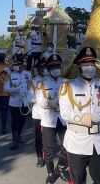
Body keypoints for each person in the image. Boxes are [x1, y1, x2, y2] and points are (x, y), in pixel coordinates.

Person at [59, 47, 100, 184]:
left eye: (92, 64)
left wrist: (95, 117)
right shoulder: (68, 86)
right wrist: (81, 117)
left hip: (99, 141)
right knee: (78, 180)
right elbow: (64, 112)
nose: (90, 67)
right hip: (77, 141)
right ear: (79, 66)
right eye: (86, 64)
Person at [38, 54, 70, 183]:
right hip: (48, 120)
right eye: (53, 67)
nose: (56, 69)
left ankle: (61, 168)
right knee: (48, 149)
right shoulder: (42, 83)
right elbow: (40, 101)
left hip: (63, 119)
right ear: (48, 68)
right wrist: (50, 103)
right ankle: (51, 172)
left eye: (58, 66)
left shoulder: (66, 82)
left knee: (66, 146)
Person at [4, 60, 30, 150]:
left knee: (22, 120)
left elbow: (30, 86)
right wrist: (14, 90)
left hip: (25, 101)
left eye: (18, 64)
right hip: (14, 102)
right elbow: (6, 87)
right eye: (15, 65)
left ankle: (19, 135)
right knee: (15, 122)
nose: (16, 66)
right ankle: (14, 141)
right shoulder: (10, 75)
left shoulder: (27, 74)